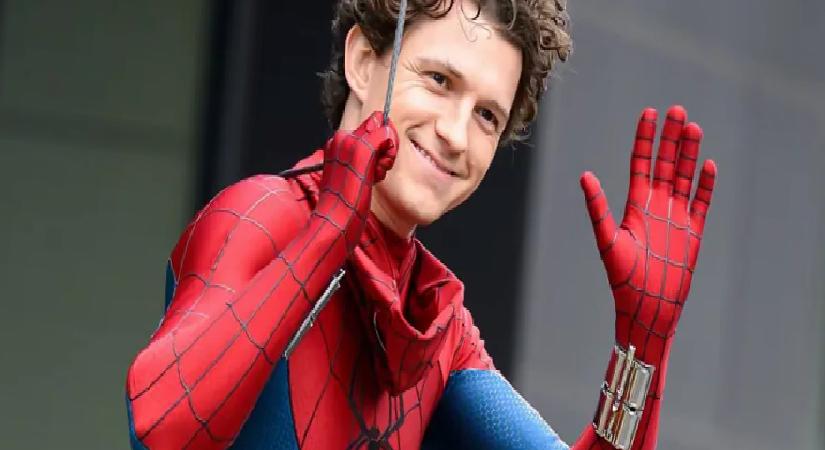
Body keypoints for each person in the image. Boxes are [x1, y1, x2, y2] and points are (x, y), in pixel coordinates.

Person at [125, 1, 717, 449]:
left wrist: (643, 347)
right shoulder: (259, 214)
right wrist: (330, 229)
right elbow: (163, 426)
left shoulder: (437, 323)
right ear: (363, 62)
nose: (456, 134)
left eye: (487, 116)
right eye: (438, 80)